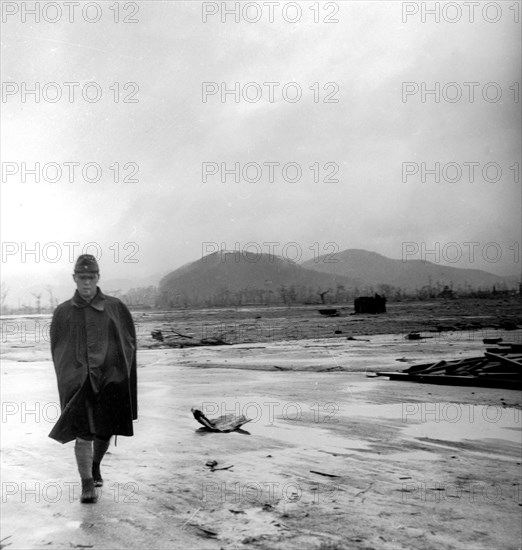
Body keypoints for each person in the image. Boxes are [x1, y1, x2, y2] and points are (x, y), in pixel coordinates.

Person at [49, 254, 137, 503]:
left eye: (91, 277)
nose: (86, 283)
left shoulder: (115, 307)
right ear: (74, 278)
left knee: (105, 431)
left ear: (98, 277)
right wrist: (71, 378)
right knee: (83, 432)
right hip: (80, 384)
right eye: (82, 278)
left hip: (110, 381)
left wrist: (119, 374)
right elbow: (58, 350)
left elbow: (127, 343)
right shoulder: (63, 312)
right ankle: (87, 484)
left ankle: (95, 465)